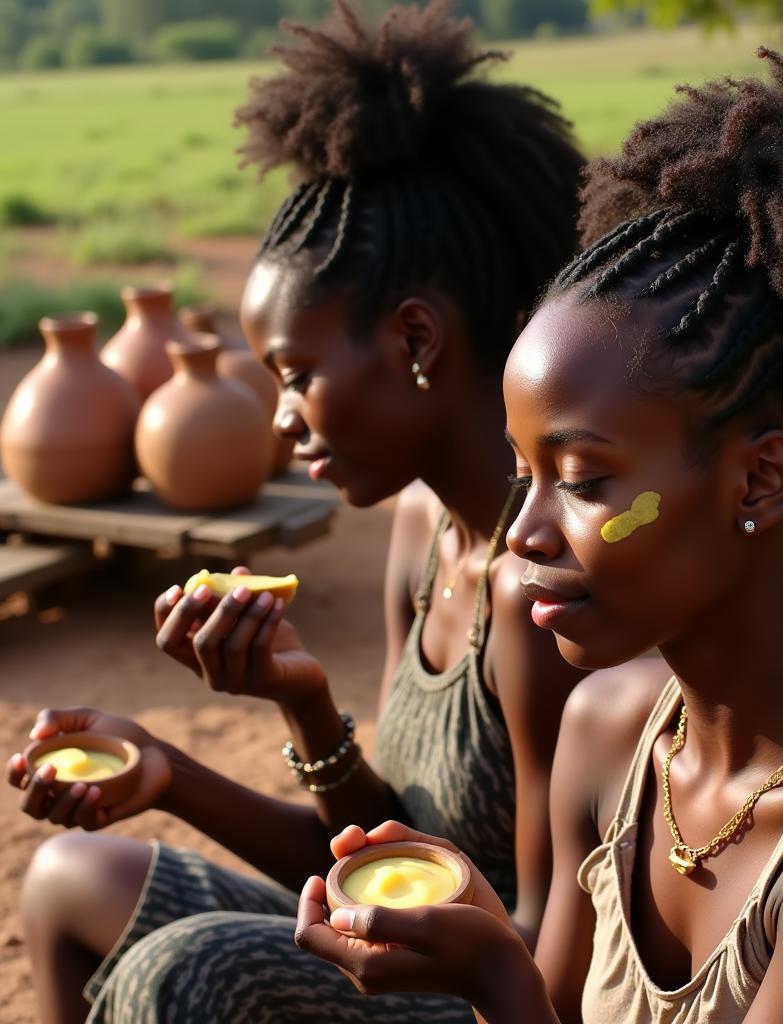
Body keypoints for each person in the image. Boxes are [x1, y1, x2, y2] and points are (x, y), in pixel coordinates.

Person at [292, 49, 783, 1024]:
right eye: (522, 474)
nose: (522, 532)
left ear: (758, 481)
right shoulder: (606, 729)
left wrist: (496, 981)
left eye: (584, 480)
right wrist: (482, 952)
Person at [5, 4, 589, 1022]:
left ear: (414, 338)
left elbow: (541, 956)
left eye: (295, 375)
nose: (280, 419)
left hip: (500, 992)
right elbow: (388, 842)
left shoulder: (542, 595)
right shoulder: (424, 525)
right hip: (410, 942)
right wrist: (229, 739)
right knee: (69, 875)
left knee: (188, 969)